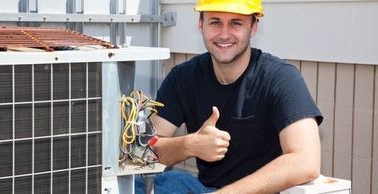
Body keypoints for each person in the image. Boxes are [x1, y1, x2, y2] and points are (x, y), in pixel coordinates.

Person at [136, 0, 323, 193]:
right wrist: (189, 145)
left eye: (236, 23)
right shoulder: (183, 77)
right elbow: (145, 151)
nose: (224, 34)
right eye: (215, 22)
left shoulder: (280, 78)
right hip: (203, 188)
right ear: (201, 25)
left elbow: (306, 161)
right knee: (138, 187)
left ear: (253, 27)